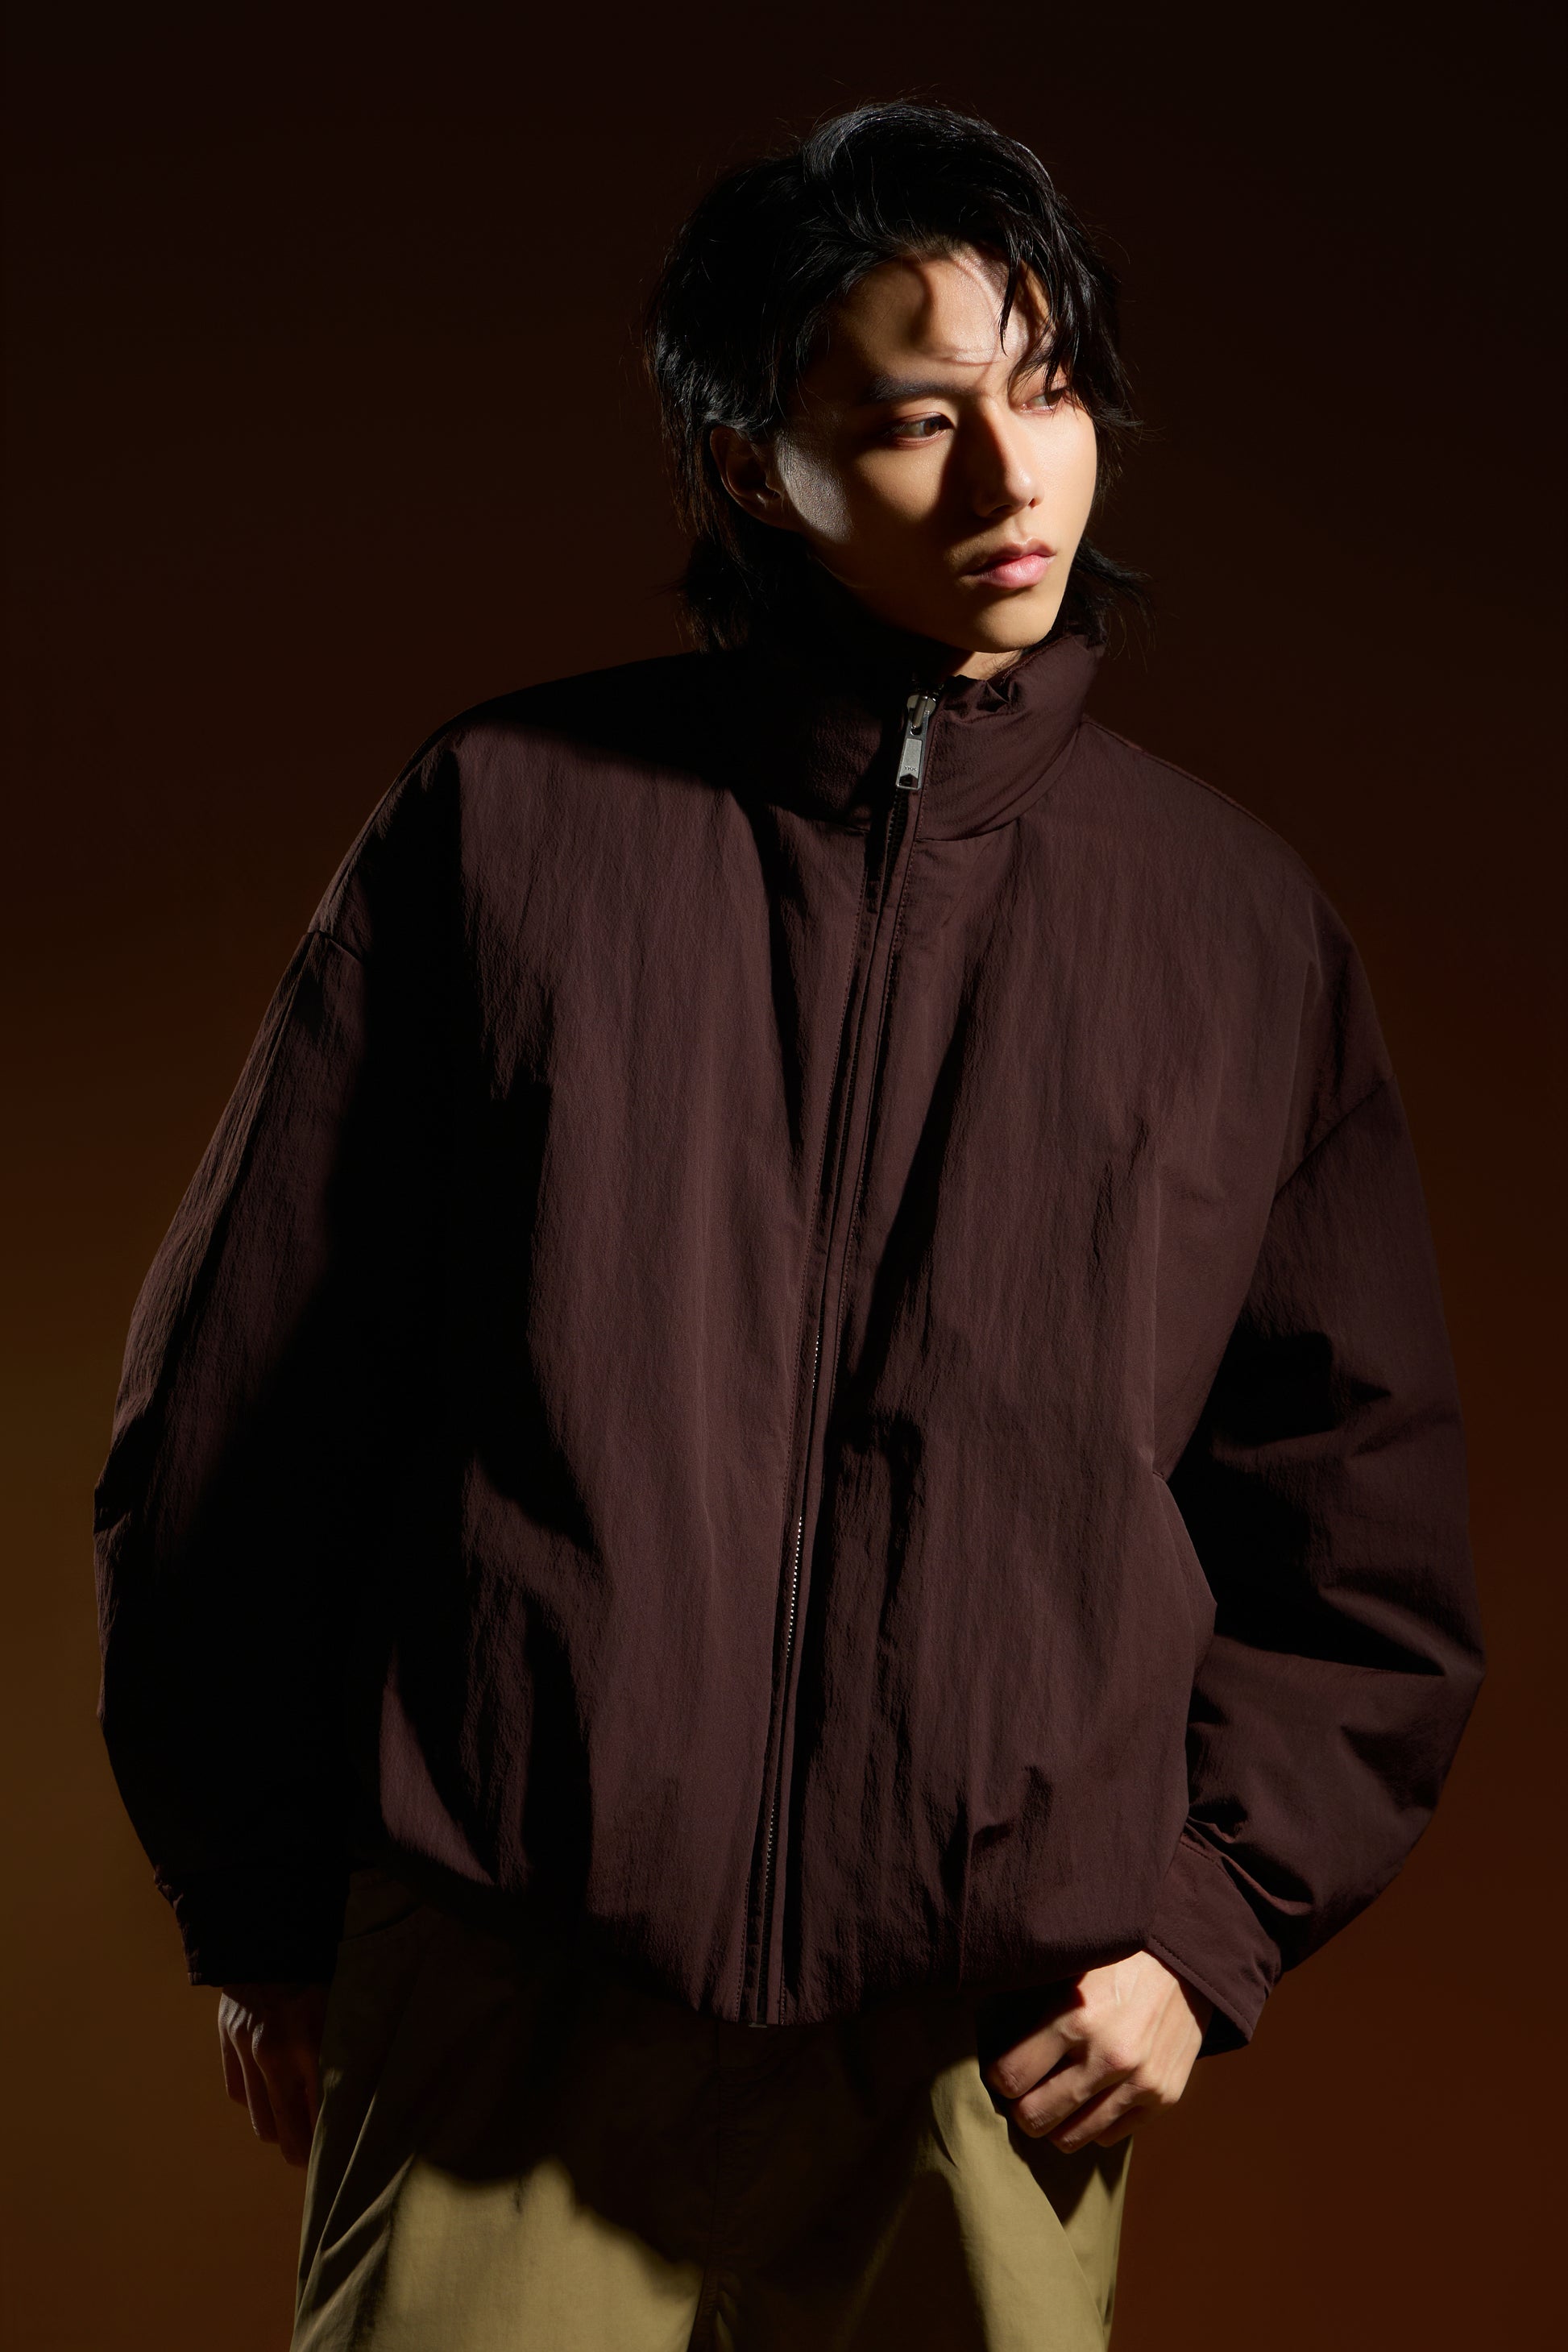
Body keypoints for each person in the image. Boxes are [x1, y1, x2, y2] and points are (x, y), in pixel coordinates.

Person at [93, 102, 1484, 2351]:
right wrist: (253, 1907)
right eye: (917, 417)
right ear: (756, 466)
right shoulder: (503, 832)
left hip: (985, 2057)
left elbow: (1360, 1534)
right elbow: (241, 1414)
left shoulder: (1232, 931)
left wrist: (1208, 1928)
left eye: (1048, 391)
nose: (1012, 475)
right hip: (507, 2004)